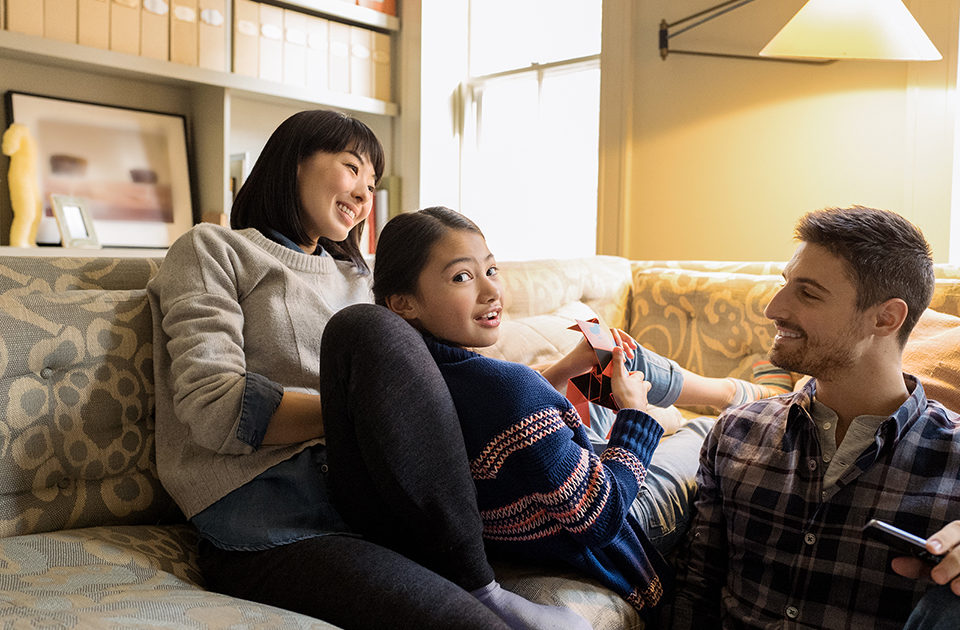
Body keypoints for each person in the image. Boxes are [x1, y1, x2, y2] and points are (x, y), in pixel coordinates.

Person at [147, 110, 585, 630]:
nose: (364, 194)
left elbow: (434, 391)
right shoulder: (214, 249)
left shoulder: (363, 276)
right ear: (293, 163)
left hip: (376, 500)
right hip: (271, 522)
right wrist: (367, 412)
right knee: (365, 330)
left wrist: (563, 370)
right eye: (351, 168)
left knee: (379, 331)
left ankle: (478, 581)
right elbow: (215, 407)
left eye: (372, 183)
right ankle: (478, 589)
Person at [321, 207, 793, 622]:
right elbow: (601, 516)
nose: (491, 291)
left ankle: (745, 392)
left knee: (611, 361)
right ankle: (753, 396)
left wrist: (566, 368)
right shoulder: (507, 387)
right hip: (608, 531)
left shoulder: (407, 383)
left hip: (541, 505)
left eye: (492, 269)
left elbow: (509, 425)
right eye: (462, 277)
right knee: (703, 432)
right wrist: (638, 416)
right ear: (404, 302)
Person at [669, 206, 960, 629]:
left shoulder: (954, 458)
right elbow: (694, 595)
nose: (773, 308)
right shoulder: (735, 431)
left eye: (807, 293)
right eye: (785, 285)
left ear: (885, 318)